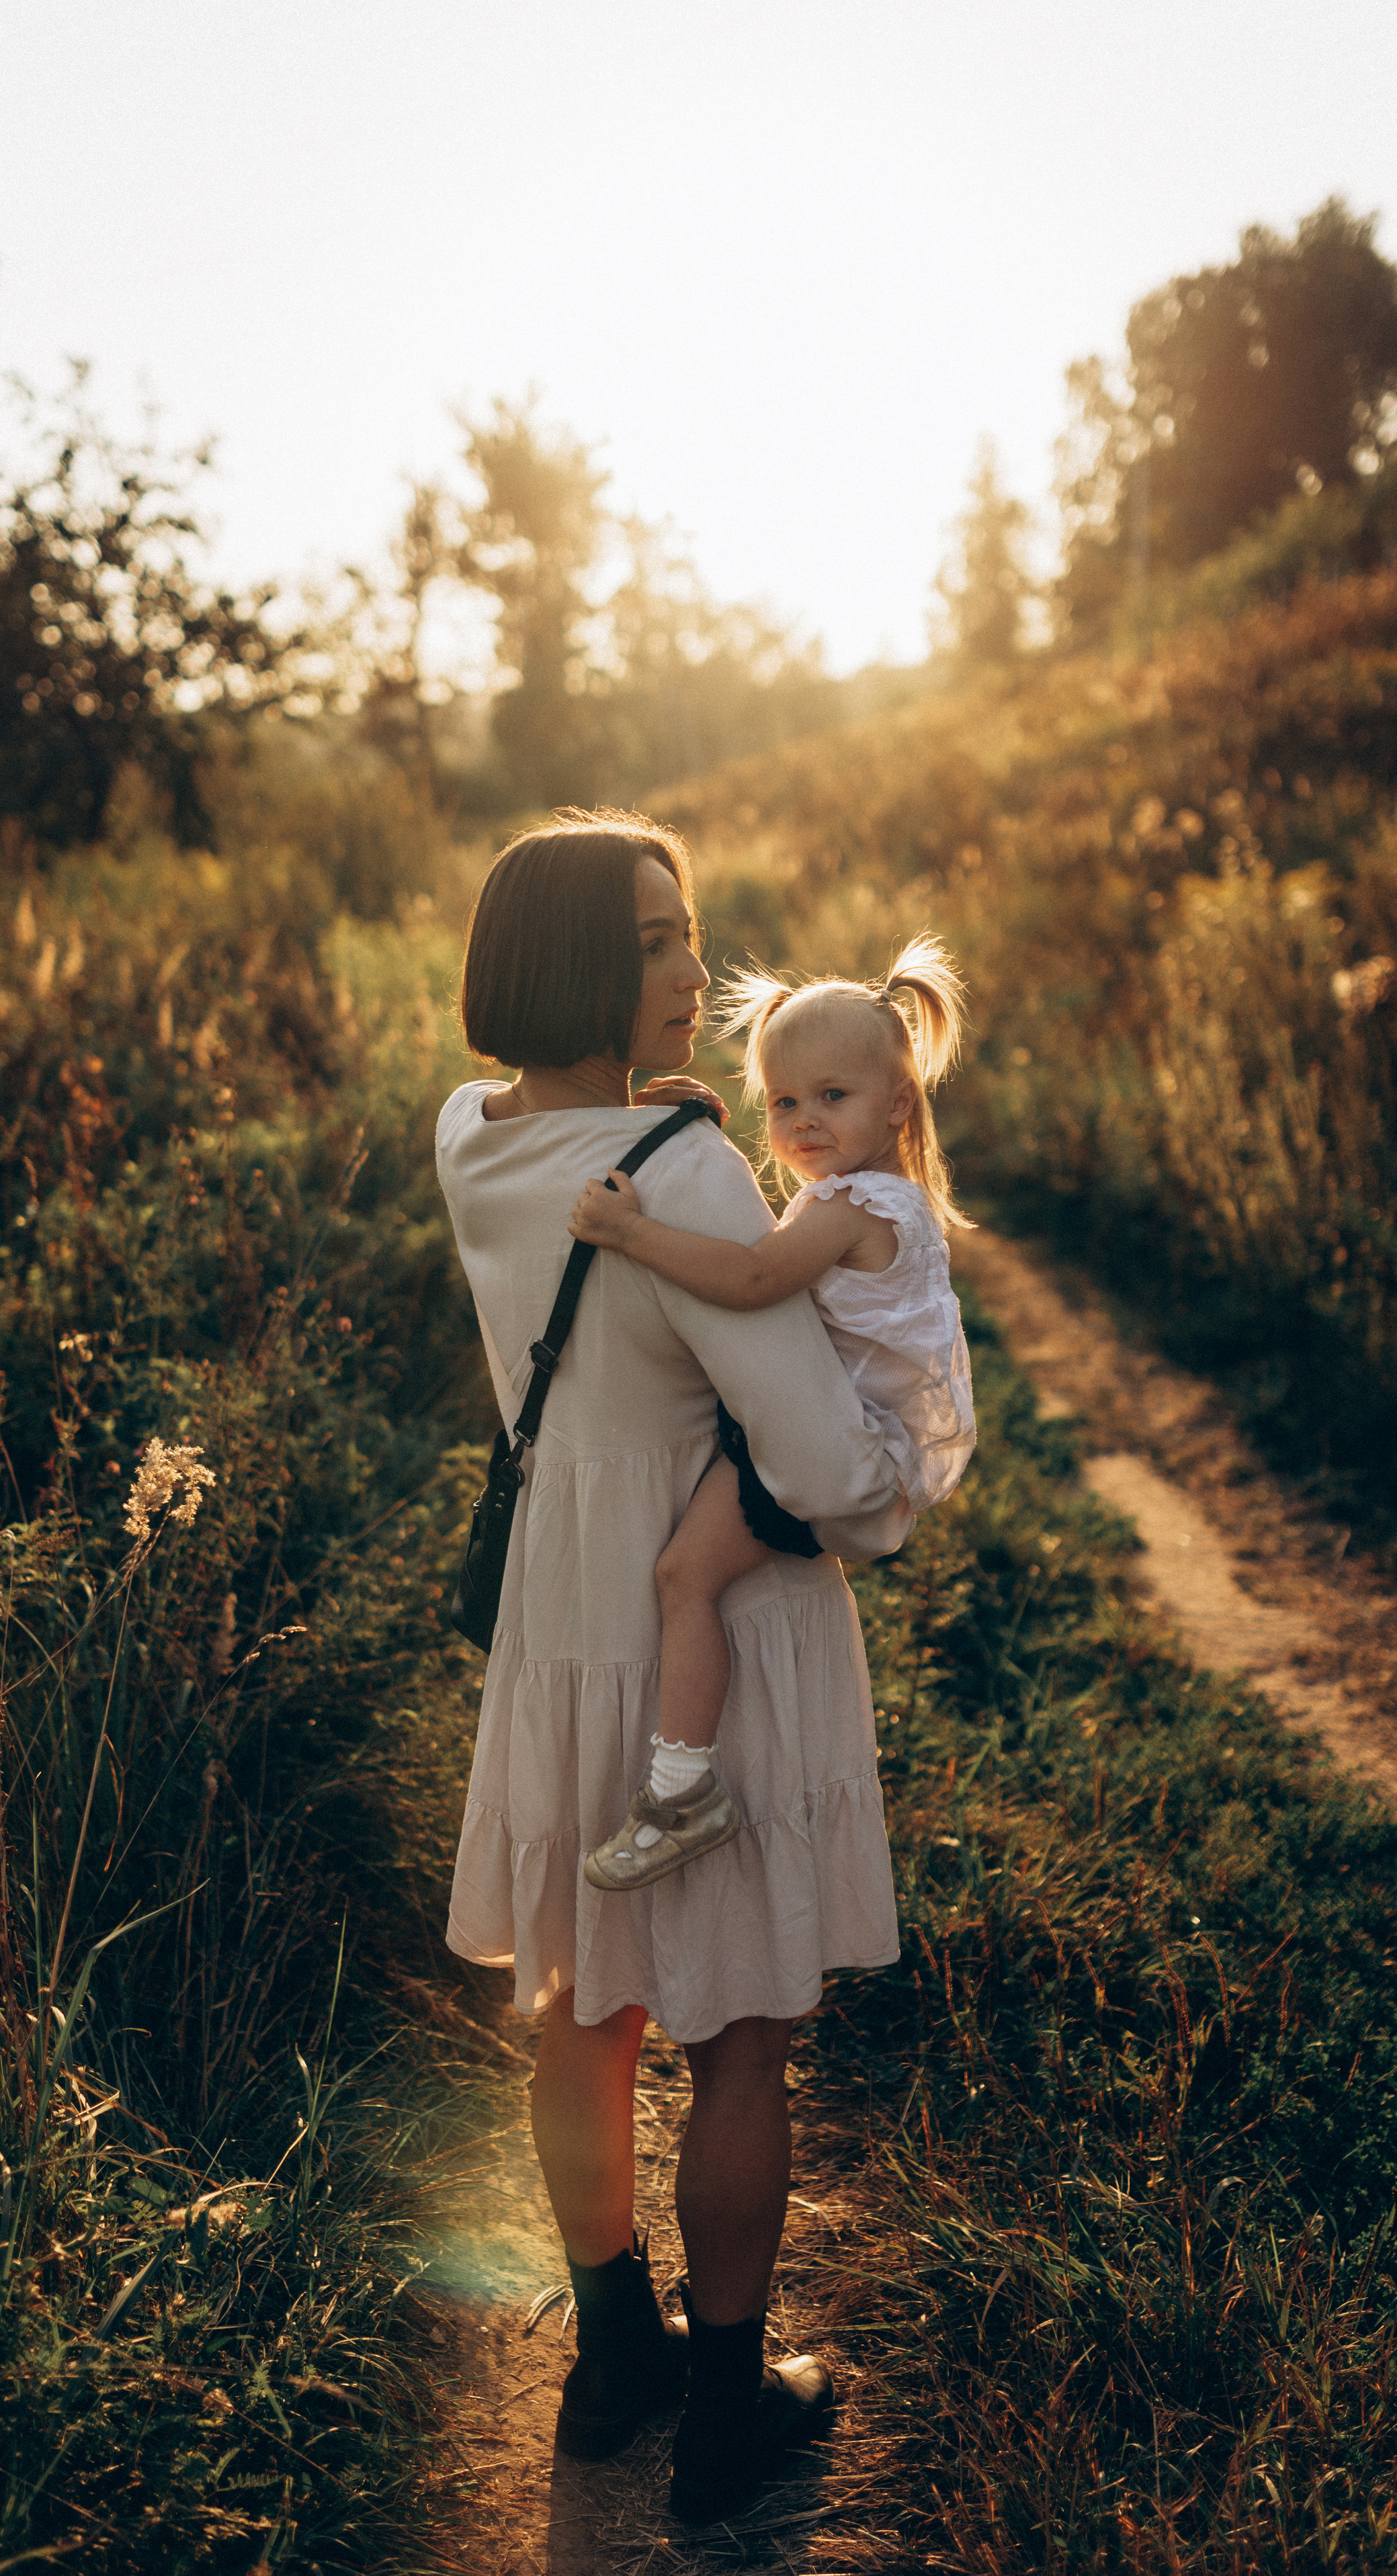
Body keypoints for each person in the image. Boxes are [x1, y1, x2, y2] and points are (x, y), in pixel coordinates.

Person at [434, 810, 914, 2528]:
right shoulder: (692, 1175)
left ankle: (607, 2356)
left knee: (581, 2002)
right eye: (649, 938)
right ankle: (726, 2408)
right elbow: (830, 1464)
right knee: (737, 2035)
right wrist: (898, 1459)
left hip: (558, 1615)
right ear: (572, 961)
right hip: (710, 1620)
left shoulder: (467, 1137)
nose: (688, 964)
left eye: (688, 926)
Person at [570, 941, 976, 1895]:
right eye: (784, 1101)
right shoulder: (880, 1195)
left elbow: (754, 1277)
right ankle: (687, 1779)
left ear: (898, 1103)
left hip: (842, 1446)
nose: (801, 1120)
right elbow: (764, 1240)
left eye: (831, 1096)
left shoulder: (851, 1205)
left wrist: (632, 1231)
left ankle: (682, 1789)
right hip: (840, 1428)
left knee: (683, 1577)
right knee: (688, 1575)